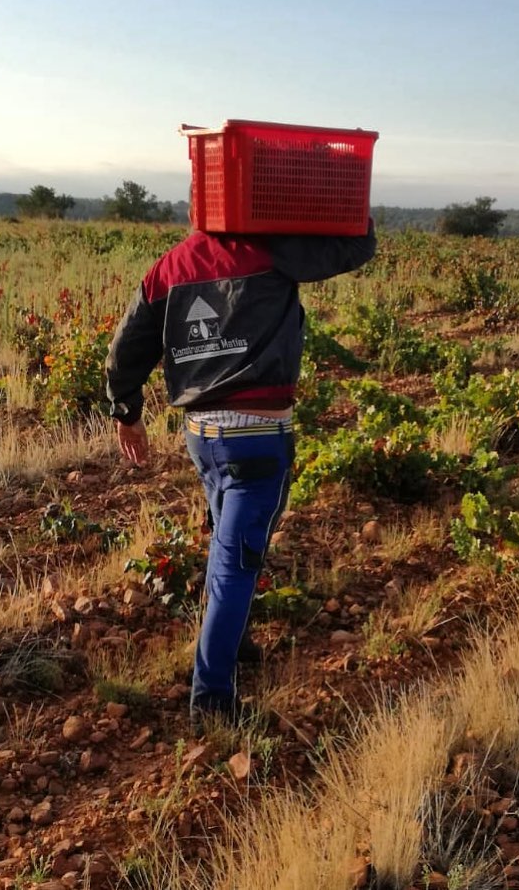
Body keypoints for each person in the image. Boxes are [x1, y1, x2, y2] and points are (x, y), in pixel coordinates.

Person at [105, 219, 377, 732]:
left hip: (202, 437)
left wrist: (127, 411)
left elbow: (126, 347)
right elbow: (356, 246)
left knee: (228, 542)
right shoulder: (273, 249)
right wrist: (347, 200)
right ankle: (212, 698)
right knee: (236, 560)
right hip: (257, 436)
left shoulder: (172, 265)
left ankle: (238, 637)